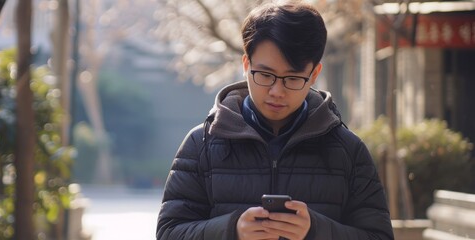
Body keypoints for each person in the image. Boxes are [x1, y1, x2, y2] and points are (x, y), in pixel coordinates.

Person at [156, 1, 394, 239]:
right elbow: (169, 233)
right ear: (246, 64)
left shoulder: (347, 151)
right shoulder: (203, 144)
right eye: (266, 75)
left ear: (314, 74)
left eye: (292, 78)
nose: (277, 91)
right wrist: (232, 230)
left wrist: (315, 231)